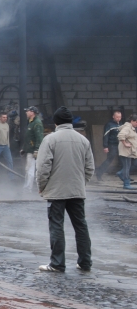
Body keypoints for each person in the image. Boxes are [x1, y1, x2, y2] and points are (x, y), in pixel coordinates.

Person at [36, 106, 94, 272]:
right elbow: (90, 168)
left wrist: (42, 186)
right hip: (77, 191)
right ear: (70, 122)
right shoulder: (84, 140)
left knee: (56, 226)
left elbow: (42, 168)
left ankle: (57, 263)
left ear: (55, 122)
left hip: (56, 192)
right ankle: (85, 262)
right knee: (81, 226)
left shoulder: (50, 140)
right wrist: (81, 184)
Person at [21, 106, 44, 192]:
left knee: (30, 169)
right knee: (28, 169)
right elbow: (28, 137)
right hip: (29, 149)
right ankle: (27, 187)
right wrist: (24, 148)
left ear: (32, 113)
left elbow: (39, 138)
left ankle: (28, 188)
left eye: (27, 111)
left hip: (33, 151)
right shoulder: (31, 122)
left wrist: (37, 150)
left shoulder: (37, 123)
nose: (26, 112)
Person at [96, 110, 122, 181]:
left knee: (123, 160)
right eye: (117, 117)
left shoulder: (121, 124)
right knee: (109, 160)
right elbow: (106, 136)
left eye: (120, 117)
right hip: (112, 145)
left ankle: (124, 176)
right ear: (113, 116)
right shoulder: (109, 124)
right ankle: (99, 173)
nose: (118, 118)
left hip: (120, 145)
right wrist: (105, 146)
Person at [117, 114, 137, 190]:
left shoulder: (132, 128)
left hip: (131, 152)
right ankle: (126, 184)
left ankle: (121, 173)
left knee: (134, 164)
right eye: (136, 122)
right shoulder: (127, 127)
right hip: (126, 152)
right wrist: (125, 143)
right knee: (126, 167)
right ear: (132, 121)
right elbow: (121, 135)